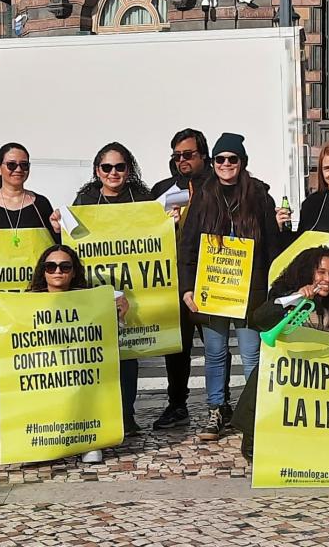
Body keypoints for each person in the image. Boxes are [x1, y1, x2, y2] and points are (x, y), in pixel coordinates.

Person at [0, 244, 129, 463]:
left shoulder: (90, 300)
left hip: (78, 373)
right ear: (43, 271)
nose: (58, 271)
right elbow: (8, 350)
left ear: (74, 271)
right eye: (51, 266)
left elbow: (106, 341)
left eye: (64, 266)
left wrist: (119, 317)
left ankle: (89, 441)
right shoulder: (25, 304)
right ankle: (37, 442)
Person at [179, 132, 284, 442]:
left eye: (232, 159)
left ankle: (255, 412)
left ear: (242, 163)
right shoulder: (202, 197)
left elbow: (272, 247)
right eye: (220, 159)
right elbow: (187, 247)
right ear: (213, 163)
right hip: (212, 289)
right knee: (214, 353)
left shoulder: (260, 197)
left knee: (251, 354)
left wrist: (272, 289)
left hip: (249, 291)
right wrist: (187, 288)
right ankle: (217, 409)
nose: (226, 164)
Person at [50, 142, 150, 436]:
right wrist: (59, 226)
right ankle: (98, 414)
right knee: (96, 354)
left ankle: (126, 413)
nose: (113, 173)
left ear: (128, 170)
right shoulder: (86, 199)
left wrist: (169, 222)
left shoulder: (142, 198)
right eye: (107, 167)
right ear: (97, 171)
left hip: (132, 290)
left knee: (127, 355)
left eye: (119, 167)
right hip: (94, 290)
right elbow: (72, 240)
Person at [0, 142, 59, 449]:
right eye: (11, 164)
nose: (18, 170)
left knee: (35, 362)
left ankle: (34, 421)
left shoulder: (41, 205)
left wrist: (60, 228)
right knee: (0, 363)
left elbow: (54, 248)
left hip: (33, 300)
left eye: (24, 165)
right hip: (0, 301)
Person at [235, 246, 329, 460]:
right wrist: (296, 297)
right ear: (308, 272)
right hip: (283, 382)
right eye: (321, 272)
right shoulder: (286, 296)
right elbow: (260, 318)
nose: (327, 278)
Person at [148, 129, 212, 430]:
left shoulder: (216, 184)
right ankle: (177, 404)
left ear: (203, 155)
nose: (181, 160)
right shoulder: (162, 189)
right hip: (174, 277)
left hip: (212, 275)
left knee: (215, 344)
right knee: (178, 347)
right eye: (176, 156)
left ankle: (219, 404)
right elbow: (143, 229)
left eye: (187, 154)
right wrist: (162, 222)